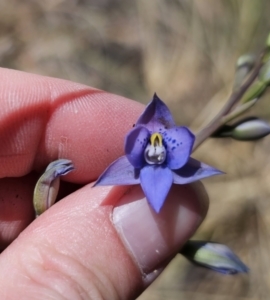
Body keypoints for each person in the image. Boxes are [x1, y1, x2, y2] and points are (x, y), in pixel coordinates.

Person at [0, 68, 208, 299]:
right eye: (151, 143)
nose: (156, 147)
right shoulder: (128, 166)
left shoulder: (162, 156)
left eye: (159, 144)